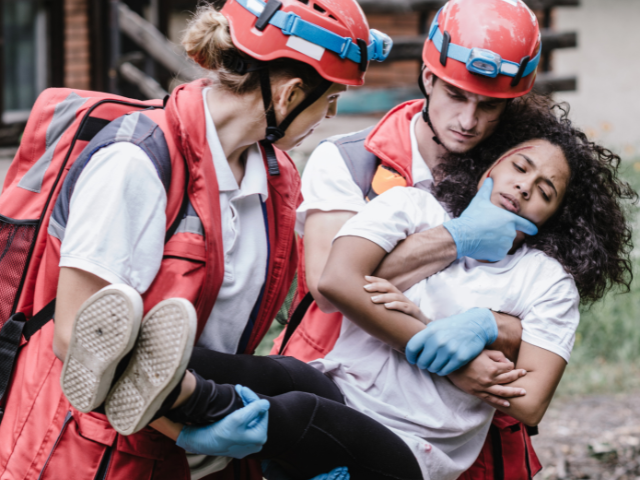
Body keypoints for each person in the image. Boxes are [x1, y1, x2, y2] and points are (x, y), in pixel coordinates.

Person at [65, 99, 635, 480]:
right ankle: (128, 361)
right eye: (520, 167)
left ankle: (183, 396)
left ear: (557, 216)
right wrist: (451, 267)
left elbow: (531, 398)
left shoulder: (544, 280)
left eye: (544, 190)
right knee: (277, 374)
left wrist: (488, 322)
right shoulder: (413, 206)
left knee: (301, 408)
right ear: (493, 165)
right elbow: (338, 279)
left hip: (413, 449)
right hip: (347, 388)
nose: (523, 188)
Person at [0, 1, 392, 479]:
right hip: (89, 453)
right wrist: (185, 432)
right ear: (290, 95)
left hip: (199, 449)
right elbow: (77, 340)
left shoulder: (274, 178)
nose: (330, 116)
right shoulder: (136, 163)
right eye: (330, 99)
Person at [270, 0, 548, 473]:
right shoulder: (348, 160)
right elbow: (328, 286)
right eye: (458, 96)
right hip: (345, 406)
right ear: (428, 76)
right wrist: (455, 239)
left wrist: (490, 325)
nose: (468, 120)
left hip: (459, 435)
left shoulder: (526, 180)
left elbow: (549, 318)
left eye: (489, 106)